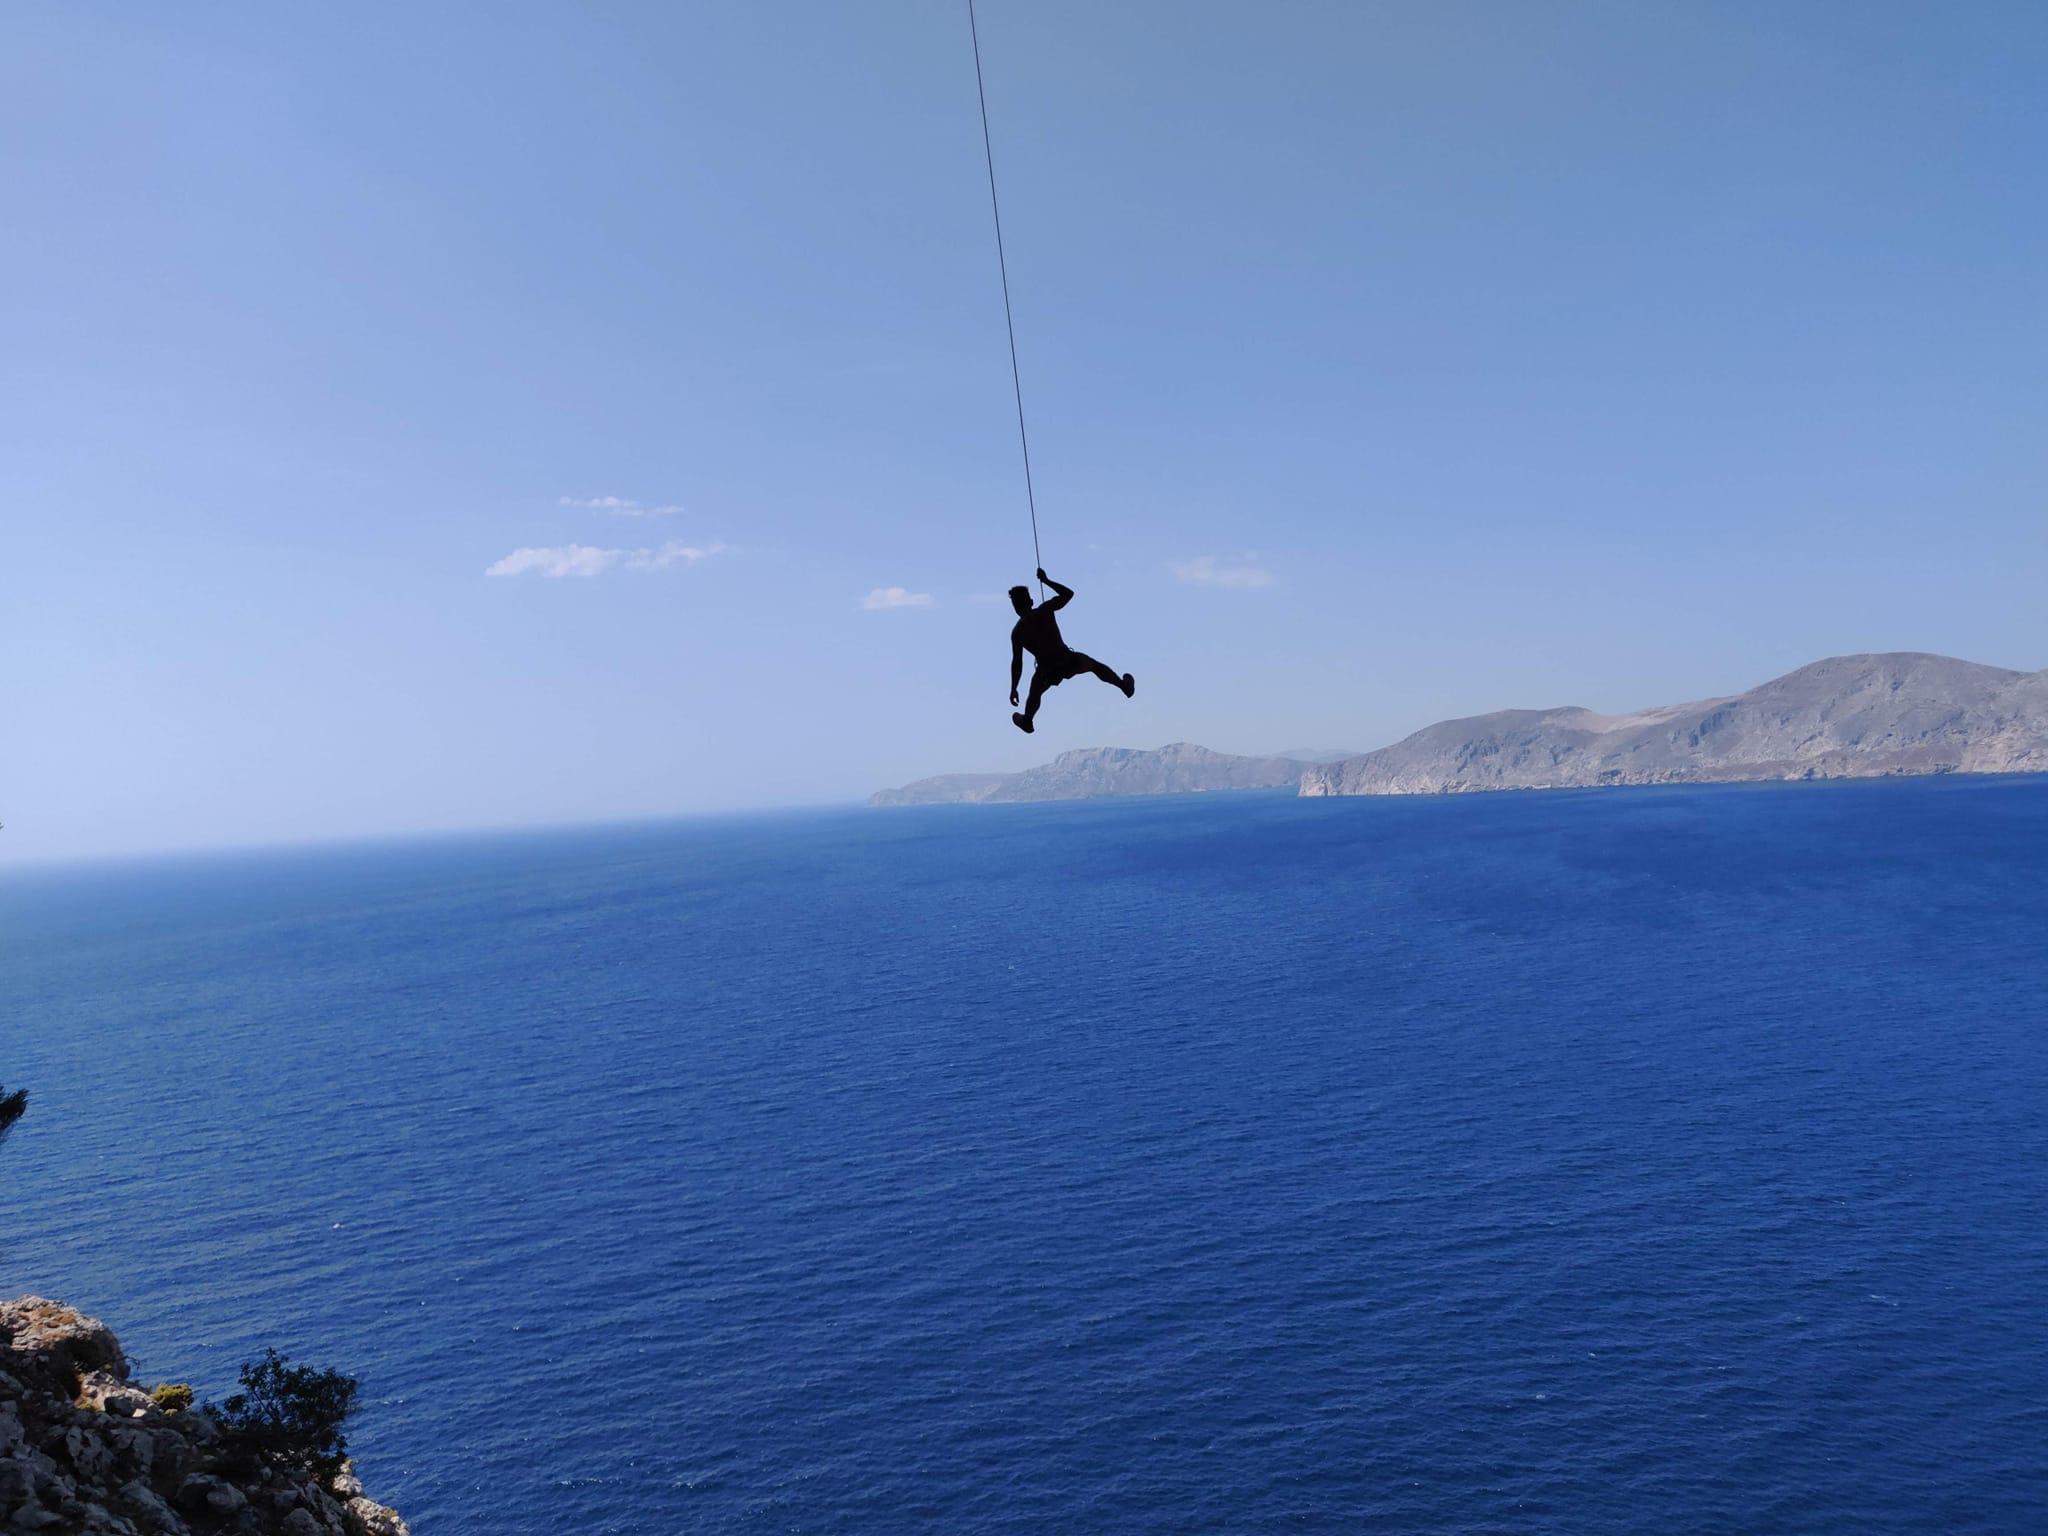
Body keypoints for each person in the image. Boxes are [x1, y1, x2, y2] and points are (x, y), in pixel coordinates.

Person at [1008, 568, 1134, 732]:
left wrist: (1014, 688)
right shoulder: (1045, 610)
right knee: (1095, 667)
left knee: (1035, 692)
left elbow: (1017, 663)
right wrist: (1046, 581)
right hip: (1067, 660)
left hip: (1047, 671)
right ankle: (1123, 686)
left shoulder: (1018, 632)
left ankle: (1028, 720)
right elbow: (1068, 594)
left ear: (1015, 608)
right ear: (1031, 601)